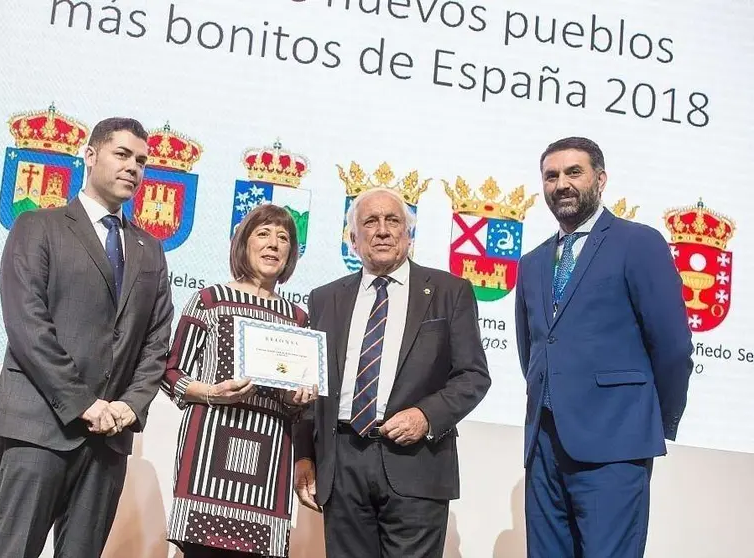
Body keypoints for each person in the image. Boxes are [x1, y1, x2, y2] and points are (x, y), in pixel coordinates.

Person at [0, 117, 174, 558]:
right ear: (90, 156)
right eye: (122, 155)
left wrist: (129, 404)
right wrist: (83, 403)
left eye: (141, 161)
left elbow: (156, 341)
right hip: (38, 426)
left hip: (108, 440)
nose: (133, 168)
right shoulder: (37, 226)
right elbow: (28, 326)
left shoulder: (151, 248)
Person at [515, 136, 694, 557]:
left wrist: (649, 420)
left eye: (573, 172)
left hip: (616, 444)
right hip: (544, 445)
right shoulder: (532, 262)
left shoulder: (639, 242)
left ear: (600, 179)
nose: (561, 183)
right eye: (551, 175)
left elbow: (672, 347)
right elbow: (534, 352)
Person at [293, 188, 491, 558]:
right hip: (342, 461)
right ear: (353, 240)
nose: (382, 230)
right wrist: (304, 454)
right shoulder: (324, 298)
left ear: (408, 235)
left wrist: (426, 415)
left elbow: (473, 376)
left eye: (392, 220)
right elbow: (311, 382)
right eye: (370, 221)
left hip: (416, 463)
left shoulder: (450, 291)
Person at [161, 203, 318, 558]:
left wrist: (300, 400)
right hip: (208, 454)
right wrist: (212, 393)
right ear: (243, 244)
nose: (273, 244)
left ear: (291, 253)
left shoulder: (299, 319)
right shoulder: (209, 301)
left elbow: (301, 404)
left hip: (271, 461)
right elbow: (170, 373)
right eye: (263, 234)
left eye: (283, 238)